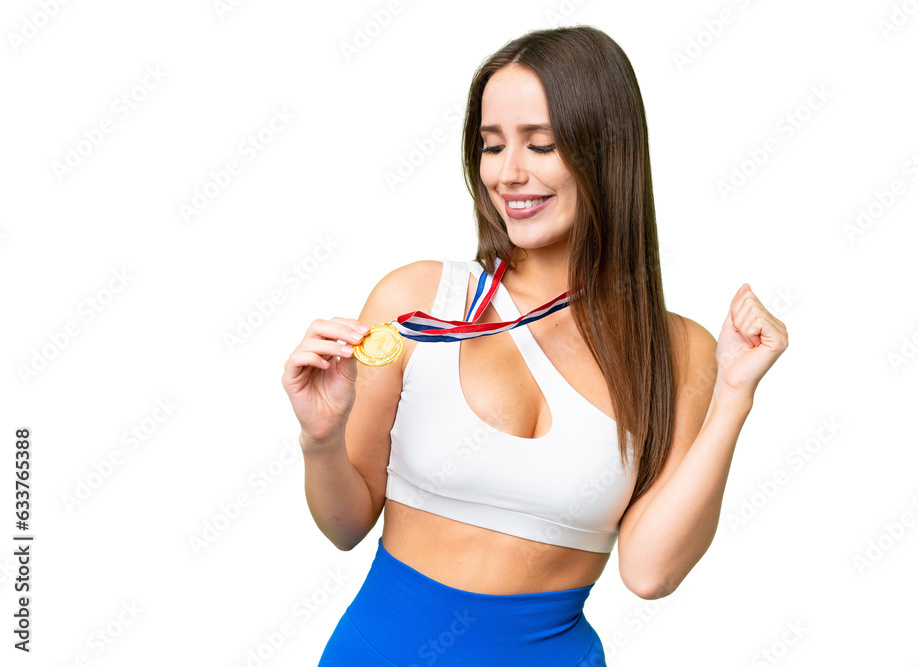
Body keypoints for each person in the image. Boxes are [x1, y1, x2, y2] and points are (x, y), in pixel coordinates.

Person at [281, 25, 788, 666]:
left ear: (607, 152)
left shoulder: (679, 352)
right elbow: (346, 525)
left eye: (540, 145)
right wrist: (320, 439)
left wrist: (734, 397)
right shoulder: (418, 307)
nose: (509, 174)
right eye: (492, 147)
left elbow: (650, 573)